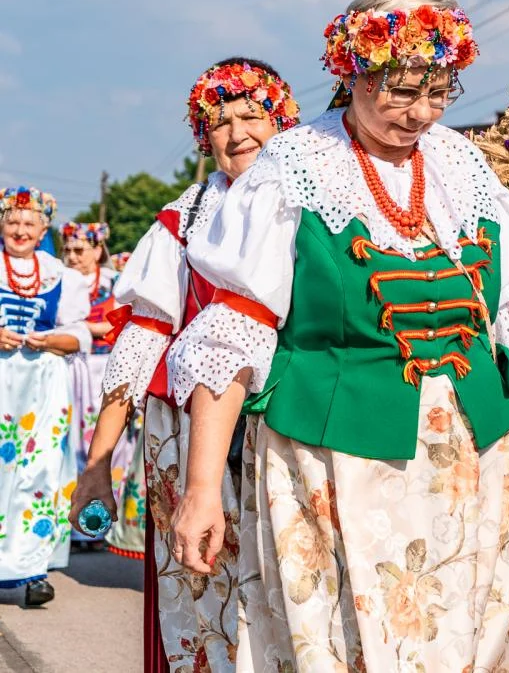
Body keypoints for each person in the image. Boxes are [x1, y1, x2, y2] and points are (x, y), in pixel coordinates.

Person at [168, 0, 509, 671]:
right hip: (337, 464)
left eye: (438, 92)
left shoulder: (462, 165)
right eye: (402, 90)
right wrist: (202, 490)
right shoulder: (293, 166)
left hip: (474, 464)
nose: (420, 113)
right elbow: (234, 332)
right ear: (352, 71)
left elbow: (508, 322)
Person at [68, 57, 300, 670]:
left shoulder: (309, 199)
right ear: (204, 137)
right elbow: (140, 342)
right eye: (220, 122)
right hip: (188, 434)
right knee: (204, 605)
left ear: (282, 120)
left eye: (252, 115)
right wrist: (97, 467)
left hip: (291, 432)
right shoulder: (187, 215)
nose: (237, 133)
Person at [0, 186, 90, 607]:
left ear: (42, 231)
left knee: (40, 470)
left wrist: (53, 340)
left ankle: (33, 569)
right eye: (13, 222)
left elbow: (80, 334)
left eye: (29, 223)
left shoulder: (62, 276)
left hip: (43, 385)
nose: (20, 230)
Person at [60, 222, 126, 545]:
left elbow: (121, 321)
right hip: (76, 366)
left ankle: (105, 522)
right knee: (73, 440)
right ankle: (75, 524)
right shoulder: (60, 279)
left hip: (108, 366)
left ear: (98, 250)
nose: (72, 257)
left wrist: (81, 327)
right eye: (68, 250)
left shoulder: (114, 282)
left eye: (79, 250)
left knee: (109, 446)